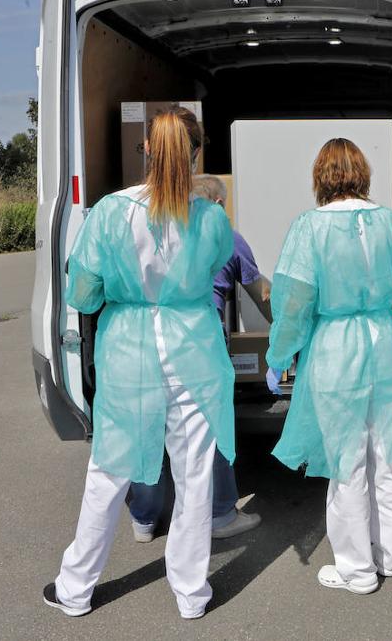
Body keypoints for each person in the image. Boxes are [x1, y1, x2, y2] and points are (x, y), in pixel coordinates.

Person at [43, 109, 235, 620]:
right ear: (196, 153)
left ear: (146, 150)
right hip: (195, 353)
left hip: (130, 353)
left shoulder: (111, 212)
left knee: (109, 471)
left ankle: (75, 588)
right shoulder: (211, 217)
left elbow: (84, 293)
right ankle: (191, 595)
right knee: (195, 475)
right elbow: (213, 268)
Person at [264, 138, 392, 595]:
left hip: (336, 350)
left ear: (320, 177)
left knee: (347, 462)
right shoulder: (388, 222)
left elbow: (293, 302)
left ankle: (356, 570)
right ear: (363, 173)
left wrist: (279, 356)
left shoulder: (308, 227)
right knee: (389, 454)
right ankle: (391, 557)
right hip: (385, 345)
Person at [126, 174, 269, 542]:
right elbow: (262, 295)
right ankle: (220, 514)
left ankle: (143, 518)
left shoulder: (154, 230)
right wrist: (289, 337)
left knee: (149, 429)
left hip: (144, 339)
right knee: (209, 427)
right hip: (199, 344)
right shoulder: (226, 237)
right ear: (218, 206)